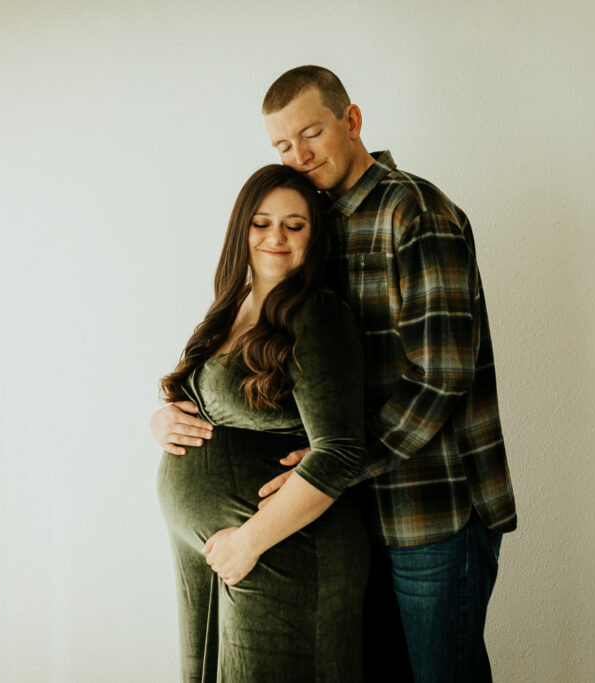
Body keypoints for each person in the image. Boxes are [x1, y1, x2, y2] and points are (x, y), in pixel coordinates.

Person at [151, 66, 518, 682]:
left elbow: (441, 378)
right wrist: (175, 412)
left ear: (351, 121)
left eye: (311, 133)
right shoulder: (317, 220)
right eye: (281, 145)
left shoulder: (414, 212)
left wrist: (340, 467)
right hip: (351, 516)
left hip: (432, 507)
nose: (298, 155)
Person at [155, 164, 370, 681]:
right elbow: (206, 400)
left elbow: (340, 451)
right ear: (240, 230)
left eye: (294, 226)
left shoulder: (316, 313)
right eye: (261, 222)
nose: (276, 237)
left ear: (313, 238)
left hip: (278, 552)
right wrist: (163, 419)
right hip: (218, 553)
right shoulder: (231, 305)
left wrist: (247, 541)